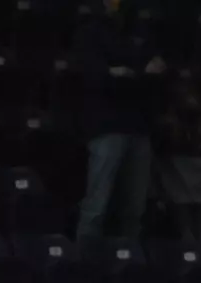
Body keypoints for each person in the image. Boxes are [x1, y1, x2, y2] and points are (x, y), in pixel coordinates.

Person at [74, 0, 167, 241]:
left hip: (139, 128)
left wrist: (125, 74)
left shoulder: (141, 31)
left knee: (135, 210)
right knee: (97, 205)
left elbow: (158, 76)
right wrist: (136, 75)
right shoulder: (90, 32)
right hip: (106, 127)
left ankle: (127, 262)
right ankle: (83, 260)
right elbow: (98, 79)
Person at [154, 75, 201, 248]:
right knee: (184, 216)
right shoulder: (168, 116)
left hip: (193, 162)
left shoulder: (196, 114)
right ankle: (192, 253)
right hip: (174, 162)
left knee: (199, 216)